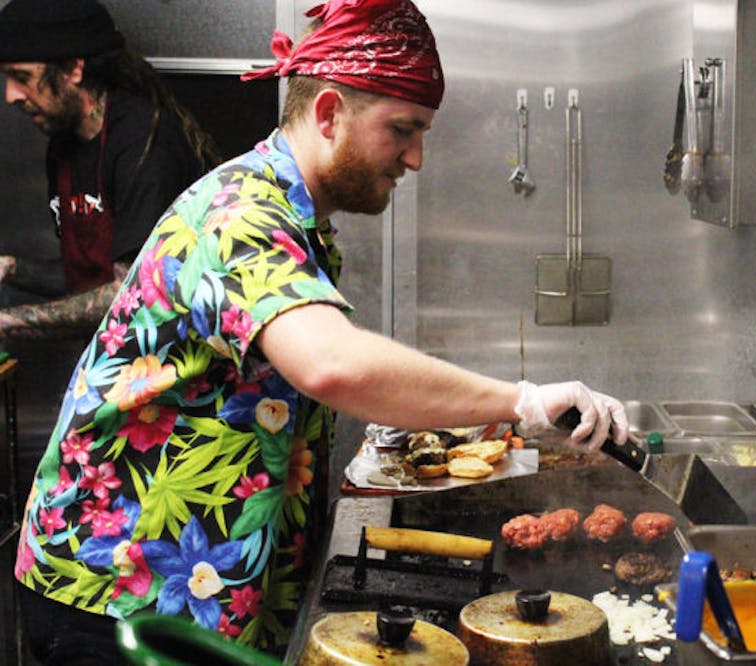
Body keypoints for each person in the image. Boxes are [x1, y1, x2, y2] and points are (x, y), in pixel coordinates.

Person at [13, 0, 630, 662]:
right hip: (118, 592)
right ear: (330, 113)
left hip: (192, 582)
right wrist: (523, 401)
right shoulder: (239, 216)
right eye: (403, 129)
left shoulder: (298, 220)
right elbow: (331, 365)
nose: (415, 157)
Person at [0, 0, 220, 342]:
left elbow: (133, 294)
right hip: (119, 355)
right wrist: (11, 268)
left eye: (22, 77)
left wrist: (8, 321)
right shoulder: (64, 143)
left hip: (178, 362)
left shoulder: (144, 145)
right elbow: (87, 277)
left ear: (74, 69)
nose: (10, 95)